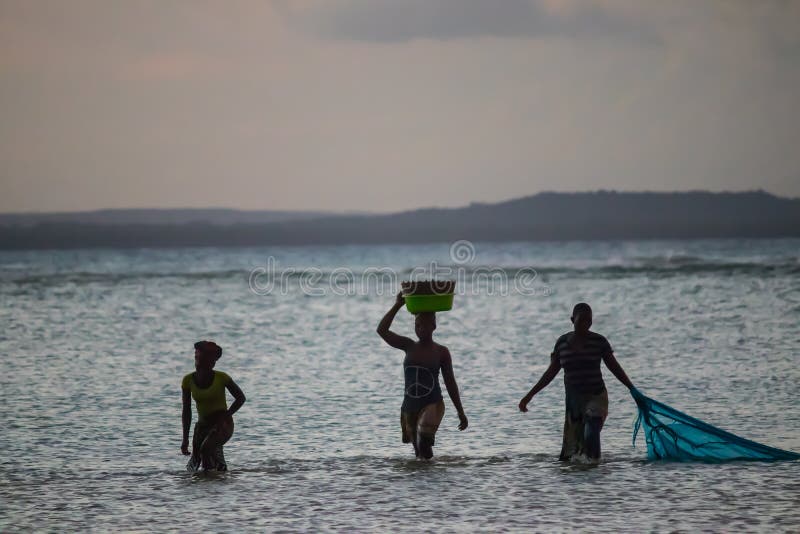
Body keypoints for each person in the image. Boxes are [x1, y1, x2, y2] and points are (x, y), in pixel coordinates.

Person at [518, 303, 635, 461]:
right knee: (571, 453)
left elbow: (614, 367)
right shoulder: (562, 343)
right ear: (572, 320)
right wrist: (529, 395)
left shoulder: (599, 342)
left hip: (596, 396)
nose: (585, 324)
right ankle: (581, 477)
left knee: (591, 431)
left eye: (589, 321)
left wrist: (631, 388)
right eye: (581, 320)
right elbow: (551, 372)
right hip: (574, 401)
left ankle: (595, 468)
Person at [377, 292, 468, 459]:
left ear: (434, 326)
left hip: (433, 403)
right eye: (417, 325)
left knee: (423, 440)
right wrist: (397, 305)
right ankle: (424, 482)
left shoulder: (441, 352)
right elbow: (382, 330)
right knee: (419, 454)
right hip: (409, 405)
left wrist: (460, 412)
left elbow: (450, 383)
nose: (421, 329)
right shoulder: (408, 346)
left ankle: (432, 481)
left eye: (425, 325)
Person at [181, 340, 246, 471]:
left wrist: (226, 416)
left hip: (222, 425)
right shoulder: (188, 380)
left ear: (213, 362)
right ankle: (217, 478)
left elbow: (240, 398)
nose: (200, 359)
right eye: (198, 355)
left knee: (206, 449)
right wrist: (185, 439)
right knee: (194, 463)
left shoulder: (222, 378)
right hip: (202, 427)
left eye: (207, 357)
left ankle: (209, 482)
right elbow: (186, 411)